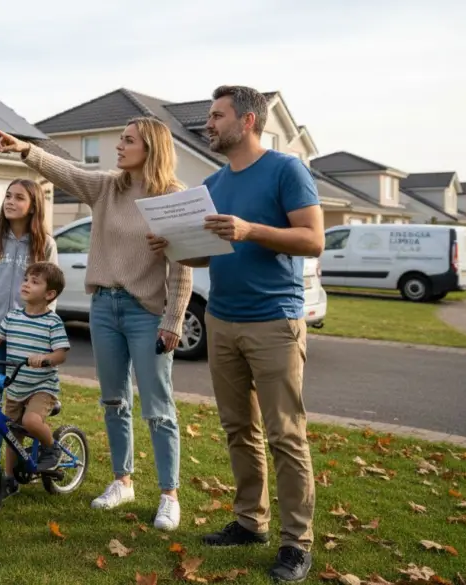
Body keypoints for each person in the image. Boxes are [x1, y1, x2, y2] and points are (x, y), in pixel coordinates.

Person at [149, 85, 323, 582]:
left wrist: (250, 230)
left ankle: (296, 543)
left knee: (285, 435)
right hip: (223, 320)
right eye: (210, 114)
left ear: (247, 121)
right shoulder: (216, 182)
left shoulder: (287, 170)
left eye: (217, 115)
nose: (210, 123)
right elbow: (211, 250)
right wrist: (174, 244)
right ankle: (251, 522)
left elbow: (312, 240)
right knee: (238, 430)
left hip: (274, 321)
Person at [0, 118, 193, 532]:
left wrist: (173, 319)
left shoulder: (173, 197)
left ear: (151, 148)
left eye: (127, 140)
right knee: (114, 401)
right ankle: (123, 481)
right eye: (120, 138)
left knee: (158, 407)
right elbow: (65, 172)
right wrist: (26, 150)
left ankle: (169, 495)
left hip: (145, 312)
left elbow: (183, 264)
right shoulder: (108, 188)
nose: (119, 146)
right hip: (104, 306)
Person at [0, 261, 70, 498]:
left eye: (35, 282)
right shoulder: (12, 317)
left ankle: (52, 448)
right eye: (26, 279)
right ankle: (9, 479)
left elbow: (61, 353)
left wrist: (44, 358)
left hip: (42, 386)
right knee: (10, 433)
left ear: (49, 294)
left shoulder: (53, 322)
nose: (26, 284)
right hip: (16, 385)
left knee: (30, 421)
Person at [0, 178, 58, 444]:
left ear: (32, 206)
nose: (10, 201)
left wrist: (39, 335)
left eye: (19, 197)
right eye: (8, 196)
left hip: (26, 338)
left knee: (19, 404)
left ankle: (15, 463)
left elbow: (50, 297)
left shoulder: (45, 245)